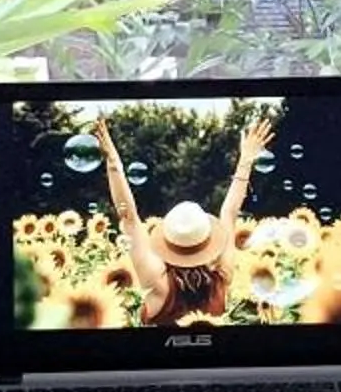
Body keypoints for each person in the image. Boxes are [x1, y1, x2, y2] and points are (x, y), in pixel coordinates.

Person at [95, 110, 274, 327]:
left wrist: (113, 162)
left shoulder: (158, 284)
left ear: (167, 242)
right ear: (209, 240)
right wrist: (246, 160)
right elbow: (229, 213)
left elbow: (129, 217)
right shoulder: (221, 279)